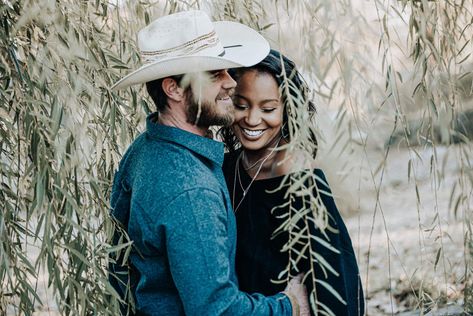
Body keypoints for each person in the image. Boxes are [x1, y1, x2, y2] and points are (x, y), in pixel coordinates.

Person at [108, 10, 309, 316]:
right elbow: (218, 310)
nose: (231, 82)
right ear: (173, 88)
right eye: (214, 74)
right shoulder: (190, 189)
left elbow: (123, 273)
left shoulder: (144, 150)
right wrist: (289, 305)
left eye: (226, 69)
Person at [220, 49, 365, 315]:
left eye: (268, 109)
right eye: (241, 105)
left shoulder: (301, 179)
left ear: (289, 110)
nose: (252, 119)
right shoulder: (224, 167)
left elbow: (339, 285)